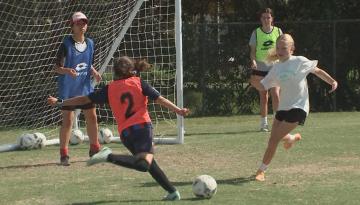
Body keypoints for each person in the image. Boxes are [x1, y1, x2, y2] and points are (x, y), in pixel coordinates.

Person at [48, 56, 190, 200]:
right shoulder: (138, 83)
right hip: (142, 129)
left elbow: (84, 99)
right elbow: (160, 99)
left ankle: (172, 192)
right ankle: (108, 156)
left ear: (115, 72)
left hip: (126, 135)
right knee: (143, 164)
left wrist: (61, 102)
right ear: (131, 69)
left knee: (148, 162)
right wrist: (178, 110)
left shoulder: (110, 88)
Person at [254, 34, 338, 181]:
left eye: (284, 48)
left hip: (299, 107)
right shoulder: (276, 67)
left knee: (273, 140)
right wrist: (252, 78)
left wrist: (332, 81)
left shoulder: (299, 61)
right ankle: (291, 138)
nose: (280, 51)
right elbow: (263, 85)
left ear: (292, 49)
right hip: (283, 108)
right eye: (278, 48)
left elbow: (317, 71)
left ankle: (261, 170)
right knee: (275, 137)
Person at [54, 11, 102, 166]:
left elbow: (88, 64)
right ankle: (64, 155)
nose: (82, 26)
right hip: (68, 89)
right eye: (78, 23)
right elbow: (57, 68)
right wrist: (67, 71)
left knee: (92, 117)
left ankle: (95, 149)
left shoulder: (91, 43)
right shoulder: (65, 44)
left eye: (84, 23)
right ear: (72, 26)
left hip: (84, 88)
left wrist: (94, 72)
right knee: (68, 121)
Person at [249, 8, 283, 132]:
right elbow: (252, 52)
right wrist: (253, 61)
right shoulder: (256, 33)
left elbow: (283, 49)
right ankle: (264, 124)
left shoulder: (278, 31)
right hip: (260, 69)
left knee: (276, 93)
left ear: (272, 19)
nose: (266, 19)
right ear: (261, 19)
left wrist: (283, 62)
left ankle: (277, 123)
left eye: (268, 17)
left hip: (275, 68)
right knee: (264, 96)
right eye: (264, 17)